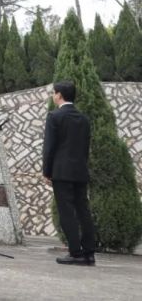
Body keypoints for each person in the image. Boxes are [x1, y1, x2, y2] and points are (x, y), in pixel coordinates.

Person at [43, 80, 96, 266]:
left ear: (59, 95)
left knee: (67, 212)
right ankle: (89, 253)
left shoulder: (54, 117)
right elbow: (85, 148)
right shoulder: (84, 119)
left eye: (53, 92)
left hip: (62, 172)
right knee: (83, 210)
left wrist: (47, 171)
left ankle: (75, 253)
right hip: (80, 171)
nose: (52, 95)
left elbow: (49, 148)